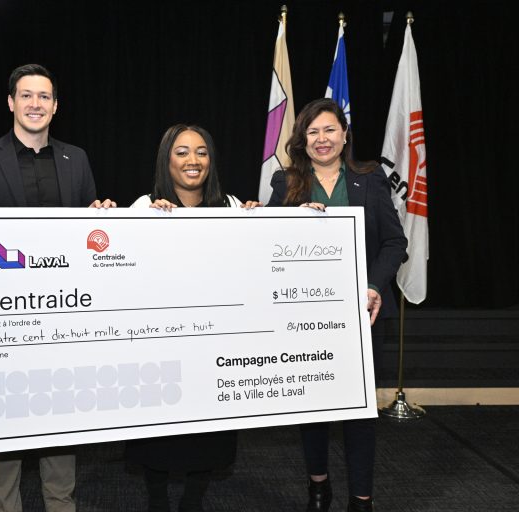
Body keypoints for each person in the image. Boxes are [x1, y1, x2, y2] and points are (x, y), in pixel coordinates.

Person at [0, 63, 113, 512]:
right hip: (3, 319)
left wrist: (102, 214)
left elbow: (87, 242)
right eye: (27, 95)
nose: (35, 104)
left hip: (63, 317)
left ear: (56, 106)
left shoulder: (77, 159)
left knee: (61, 428)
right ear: (11, 102)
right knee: (2, 432)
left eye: (44, 97)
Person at [267, 98, 407, 512]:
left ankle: (362, 499)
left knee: (361, 412)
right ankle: (318, 486)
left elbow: (394, 242)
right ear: (302, 140)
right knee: (313, 406)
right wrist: (290, 219)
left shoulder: (371, 177)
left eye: (329, 130)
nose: (322, 139)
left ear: (344, 135)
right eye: (313, 132)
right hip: (305, 318)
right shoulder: (285, 182)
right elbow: (269, 244)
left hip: (365, 314)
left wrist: (376, 286)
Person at [127, 124, 254, 512]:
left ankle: (195, 499)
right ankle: (157, 498)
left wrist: (265, 225)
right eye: (182, 152)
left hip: (212, 348)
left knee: (207, 432)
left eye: (201, 152)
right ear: (167, 159)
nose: (193, 160)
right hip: (160, 347)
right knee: (158, 431)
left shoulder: (232, 207)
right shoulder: (143, 207)